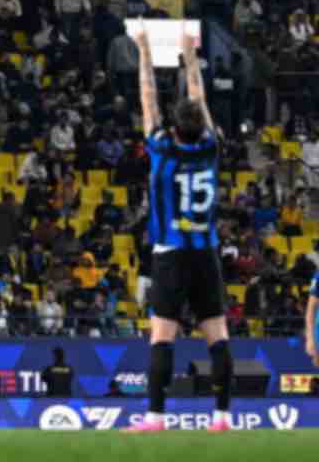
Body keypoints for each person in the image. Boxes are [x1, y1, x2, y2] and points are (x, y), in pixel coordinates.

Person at [128, 23, 231, 433]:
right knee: (217, 334)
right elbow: (199, 96)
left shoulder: (161, 147)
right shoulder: (211, 146)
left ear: (174, 127)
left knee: (162, 336)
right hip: (206, 251)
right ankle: (222, 416)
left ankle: (155, 417)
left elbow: (148, 96)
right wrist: (191, 55)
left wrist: (144, 50)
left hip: (170, 251)